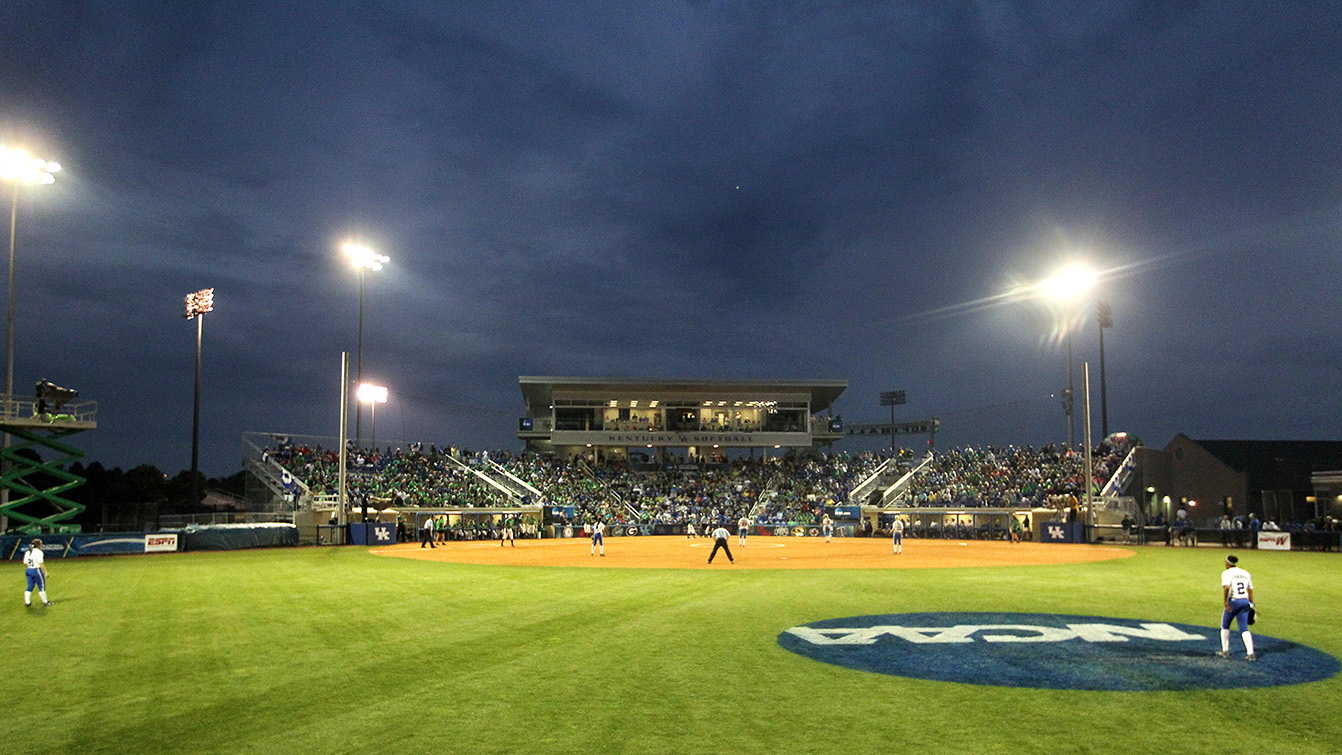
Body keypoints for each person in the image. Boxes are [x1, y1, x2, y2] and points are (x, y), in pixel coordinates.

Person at [1217, 554, 1257, 661]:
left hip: (1234, 602)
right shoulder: (1245, 573)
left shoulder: (1226, 573)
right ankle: (1251, 653)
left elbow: (1226, 588)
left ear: (1227, 563)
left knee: (1225, 625)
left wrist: (1225, 602)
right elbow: (1250, 590)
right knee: (1244, 628)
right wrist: (1251, 604)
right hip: (1245, 601)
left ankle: (1225, 651)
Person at [23, 539, 52, 607]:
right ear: (38, 545)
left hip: (28, 570)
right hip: (36, 570)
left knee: (30, 586)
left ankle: (27, 602)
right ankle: (45, 602)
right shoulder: (39, 552)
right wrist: (45, 572)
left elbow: (24, 563)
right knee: (41, 586)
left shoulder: (28, 552)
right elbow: (41, 563)